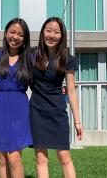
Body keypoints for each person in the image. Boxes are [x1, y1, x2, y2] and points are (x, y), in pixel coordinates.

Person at [30, 17, 83, 178]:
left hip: (57, 110)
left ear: (61, 35)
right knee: (40, 157)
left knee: (64, 155)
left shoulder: (67, 58)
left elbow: (71, 91)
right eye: (48, 31)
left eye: (56, 32)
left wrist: (77, 121)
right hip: (37, 110)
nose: (51, 35)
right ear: (42, 33)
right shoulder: (31, 55)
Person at [0, 18, 33, 178]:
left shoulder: (29, 59)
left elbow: (39, 85)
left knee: (14, 157)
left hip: (19, 109)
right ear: (6, 34)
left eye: (20, 34)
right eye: (12, 32)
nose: (15, 37)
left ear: (25, 38)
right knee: (1, 159)